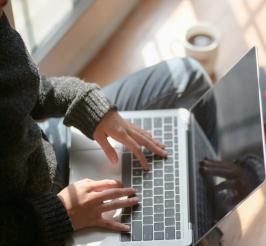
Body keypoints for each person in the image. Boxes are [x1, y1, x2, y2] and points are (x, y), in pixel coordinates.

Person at [0, 1, 212, 245]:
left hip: (45, 154)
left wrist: (88, 106)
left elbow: (27, 88)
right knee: (175, 229)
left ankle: (210, 202)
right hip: (37, 222)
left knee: (188, 77)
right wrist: (59, 213)